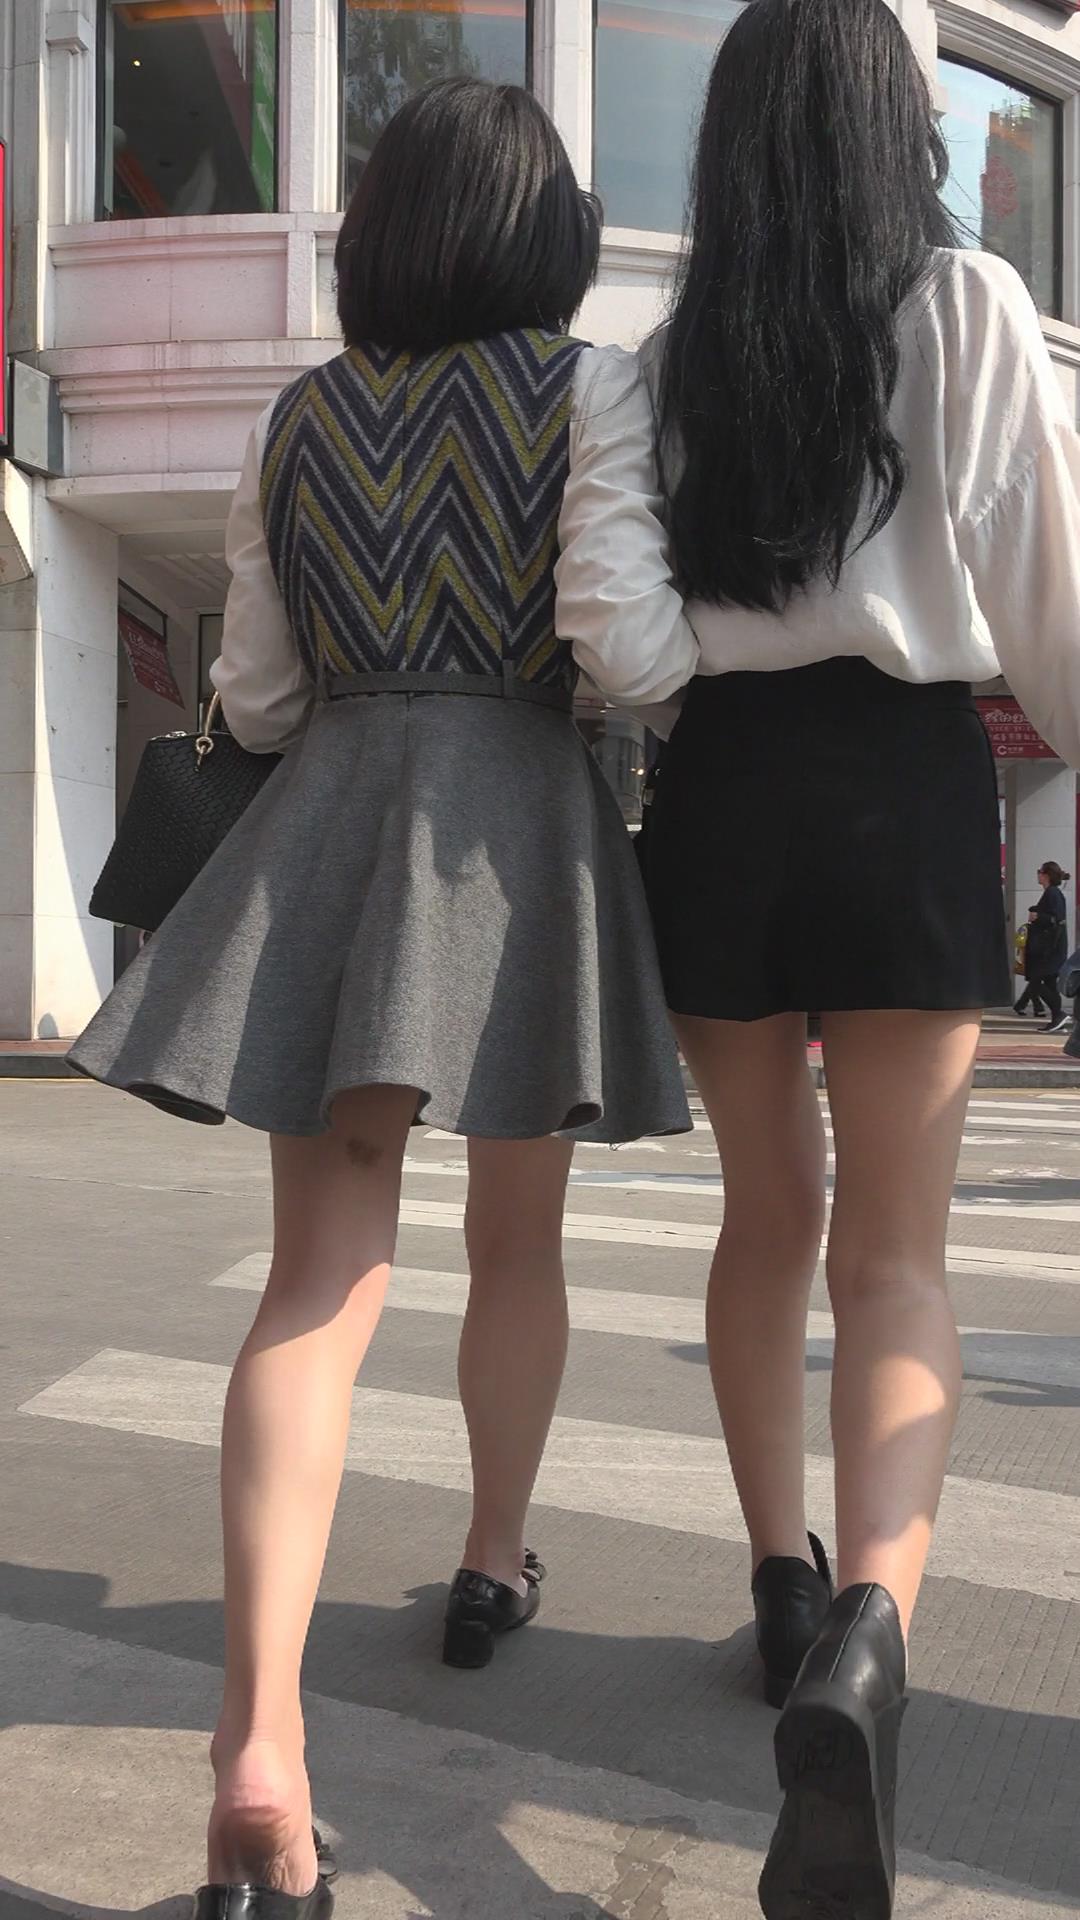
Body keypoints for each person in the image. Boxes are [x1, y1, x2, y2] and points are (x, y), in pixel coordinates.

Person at [70, 79, 691, 1915]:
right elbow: (616, 641)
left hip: (336, 834)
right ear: (545, 234)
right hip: (518, 837)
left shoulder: (297, 418)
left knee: (317, 1282)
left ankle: (259, 1736)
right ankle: (493, 1556)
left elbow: (258, 698)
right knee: (521, 1239)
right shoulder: (590, 390)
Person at [555, 1, 1080, 1913]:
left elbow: (619, 635)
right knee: (899, 1256)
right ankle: (870, 1632)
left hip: (721, 797)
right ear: (891, 122)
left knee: (764, 1222)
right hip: (907, 790)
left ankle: (779, 1578)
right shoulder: (967, 307)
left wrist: (714, 680)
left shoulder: (658, 359)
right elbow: (1047, 600)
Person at [1024, 862, 1072, 1032]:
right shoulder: (1051, 893)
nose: (1037, 874)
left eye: (1040, 871)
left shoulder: (1053, 893)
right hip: (1051, 946)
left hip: (1050, 948)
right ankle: (1057, 1019)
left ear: (1046, 875)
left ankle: (1059, 1014)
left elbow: (1056, 919)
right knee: (1050, 983)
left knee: (1035, 981)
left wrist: (1037, 917)